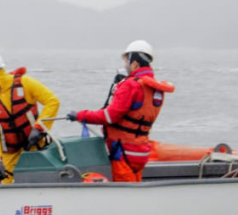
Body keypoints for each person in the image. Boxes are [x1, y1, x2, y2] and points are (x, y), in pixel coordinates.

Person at [66, 40, 174, 182]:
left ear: (134, 63)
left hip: (123, 151)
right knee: (136, 187)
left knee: (126, 191)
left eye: (126, 61)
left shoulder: (130, 85)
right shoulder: (156, 89)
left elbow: (109, 116)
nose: (125, 66)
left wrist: (80, 115)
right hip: (140, 151)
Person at [0, 50, 60, 183]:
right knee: (5, 184)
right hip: (10, 153)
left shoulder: (25, 83)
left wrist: (39, 128)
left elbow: (52, 102)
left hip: (35, 148)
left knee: (40, 180)